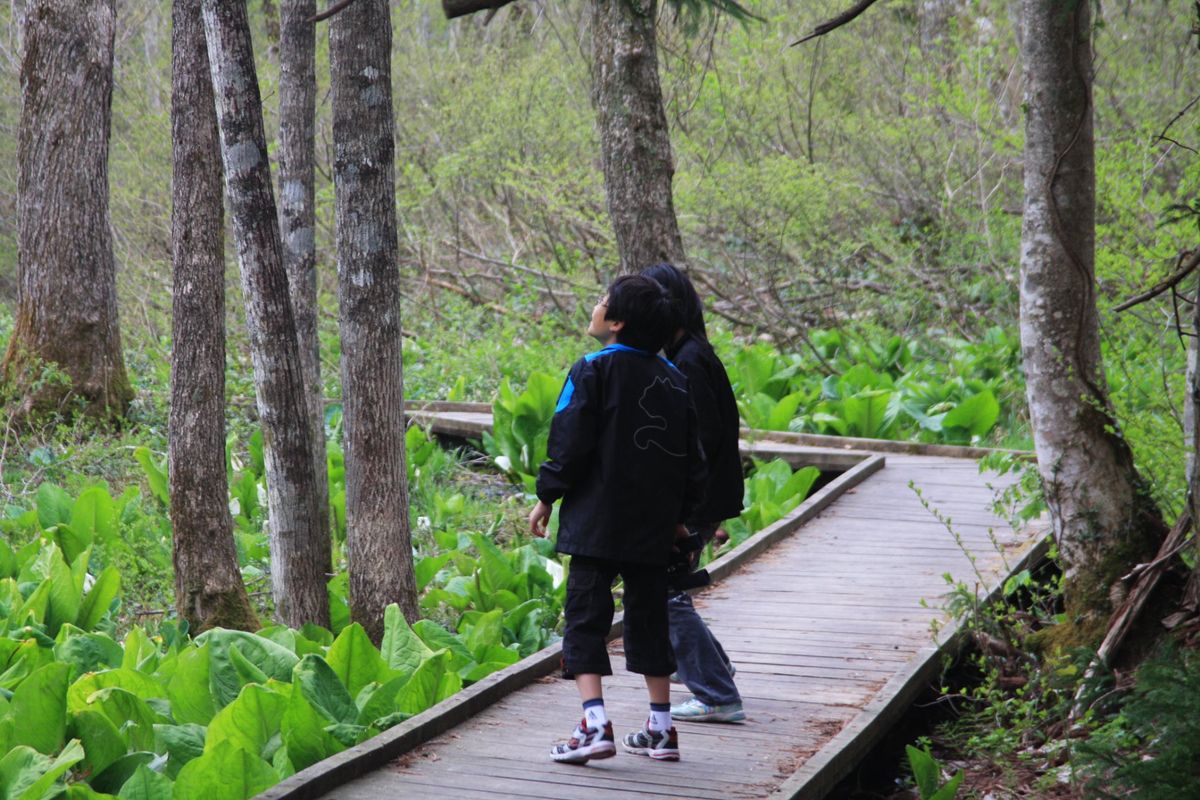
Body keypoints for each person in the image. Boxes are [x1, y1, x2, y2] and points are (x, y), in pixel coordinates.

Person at [529, 274, 707, 764]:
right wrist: (681, 518)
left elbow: (568, 441)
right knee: (649, 622)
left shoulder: (590, 369)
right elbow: (693, 458)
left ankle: (594, 724)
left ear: (617, 321)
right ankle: (661, 727)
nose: (595, 307)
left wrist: (547, 495)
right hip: (653, 528)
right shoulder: (674, 378)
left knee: (585, 621)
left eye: (601, 301)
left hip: (595, 525)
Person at [641, 262, 746, 724]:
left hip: (693, 504)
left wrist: (679, 512)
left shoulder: (689, 363)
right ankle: (716, 672)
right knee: (670, 591)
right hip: (702, 501)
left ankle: (717, 693)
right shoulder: (691, 355)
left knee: (664, 594)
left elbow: (698, 445)